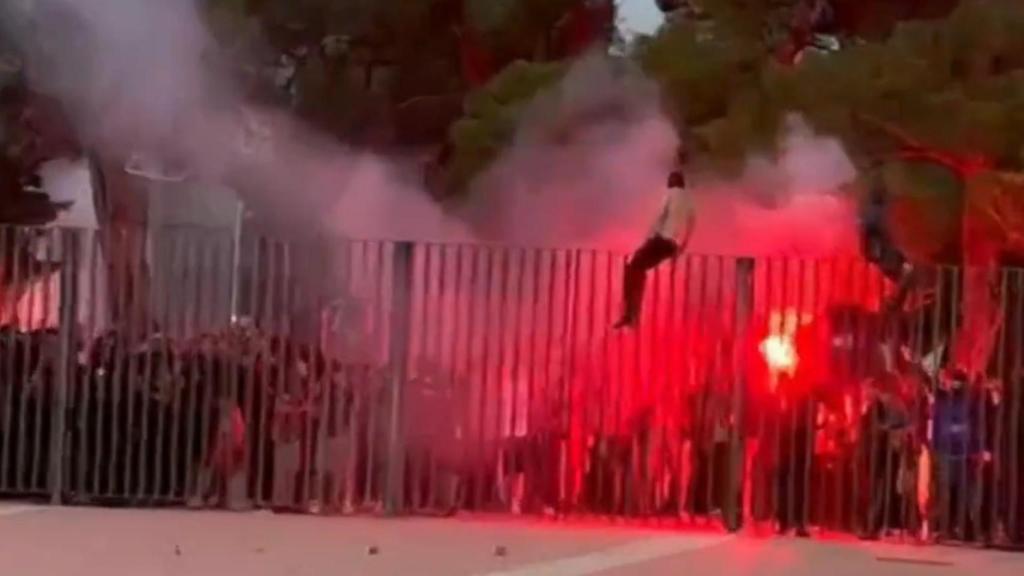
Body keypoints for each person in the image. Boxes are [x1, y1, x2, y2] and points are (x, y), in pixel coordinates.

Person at [614, 159, 696, 329]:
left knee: (632, 267)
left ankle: (630, 314)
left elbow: (660, 216)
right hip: (673, 245)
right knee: (640, 268)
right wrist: (681, 249)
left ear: (672, 182)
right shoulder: (689, 200)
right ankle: (632, 313)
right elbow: (691, 225)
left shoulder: (670, 194)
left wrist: (649, 238)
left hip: (661, 239)